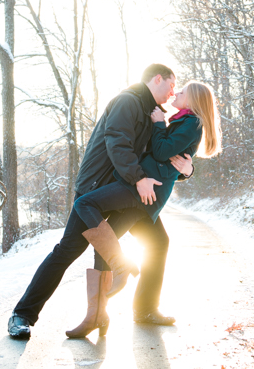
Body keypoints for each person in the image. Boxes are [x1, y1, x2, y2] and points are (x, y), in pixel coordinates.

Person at [7, 64, 193, 339]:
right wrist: (139, 178)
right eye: (171, 84)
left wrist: (186, 172)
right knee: (67, 251)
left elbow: (162, 157)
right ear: (157, 79)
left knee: (157, 241)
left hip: (127, 192)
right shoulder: (127, 101)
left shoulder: (153, 115)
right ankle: (22, 314)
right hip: (97, 189)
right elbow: (116, 143)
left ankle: (139, 310)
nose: (173, 91)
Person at [65, 81, 222, 338]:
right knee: (148, 242)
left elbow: (162, 153)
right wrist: (184, 167)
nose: (176, 92)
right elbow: (169, 157)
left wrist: (160, 124)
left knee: (96, 221)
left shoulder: (190, 123)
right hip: (145, 189)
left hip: (144, 191)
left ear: (193, 101)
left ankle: (119, 299)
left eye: (182, 92)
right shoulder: (184, 121)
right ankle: (131, 308)